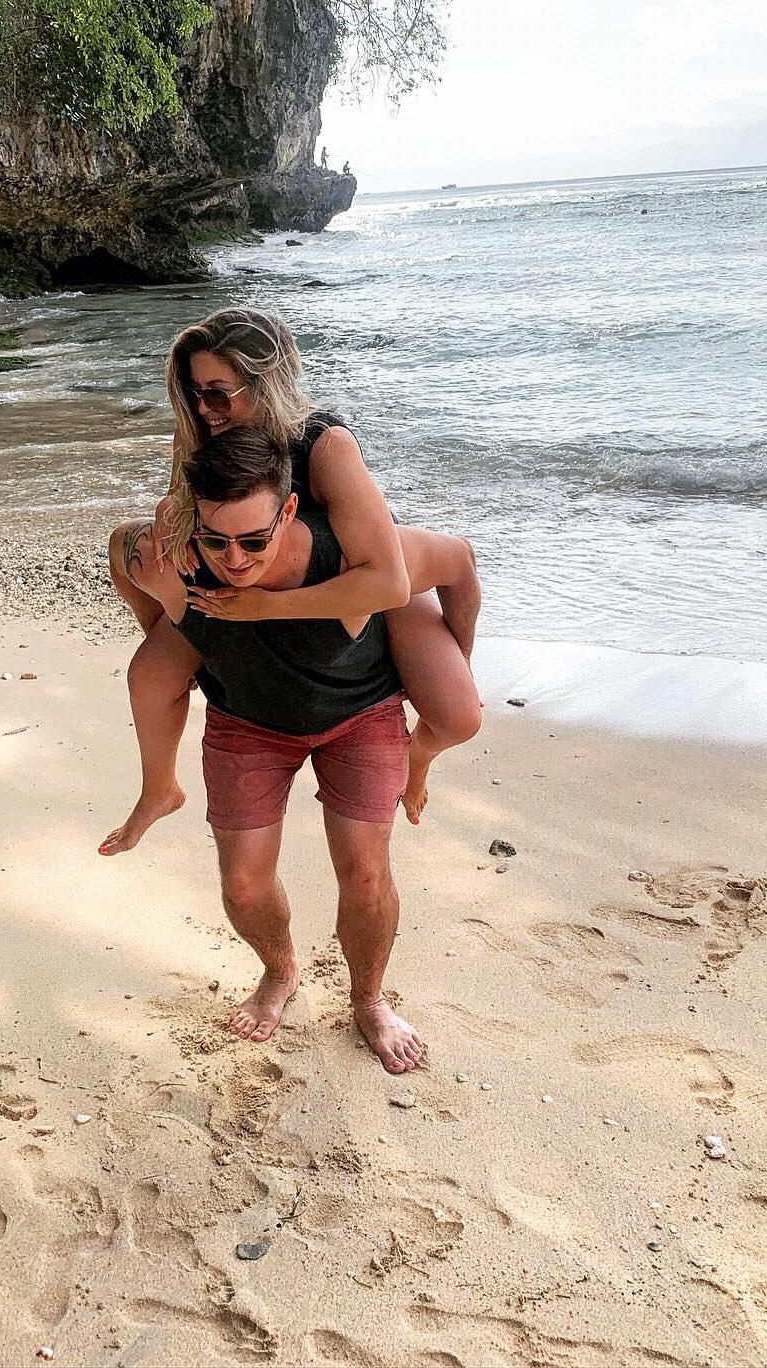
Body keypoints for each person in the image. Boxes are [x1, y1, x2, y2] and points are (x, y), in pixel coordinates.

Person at [125, 427, 455, 1072]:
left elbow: (459, 563)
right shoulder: (180, 555)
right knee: (243, 886)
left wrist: (449, 681)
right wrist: (177, 636)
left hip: (361, 714)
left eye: (254, 540)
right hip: (246, 722)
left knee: (366, 874)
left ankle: (369, 1000)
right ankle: (280, 972)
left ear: (289, 511)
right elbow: (122, 554)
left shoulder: (352, 555)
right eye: (216, 541)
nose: (235, 558)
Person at [100, 308, 481, 857]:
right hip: (258, 574)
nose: (202, 408)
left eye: (217, 393)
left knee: (458, 716)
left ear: (266, 384)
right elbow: (180, 512)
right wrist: (194, 631)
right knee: (150, 675)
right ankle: (159, 790)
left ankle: (415, 757)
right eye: (194, 392)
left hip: (367, 570)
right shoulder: (203, 433)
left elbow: (393, 579)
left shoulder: (325, 446)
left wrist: (458, 658)